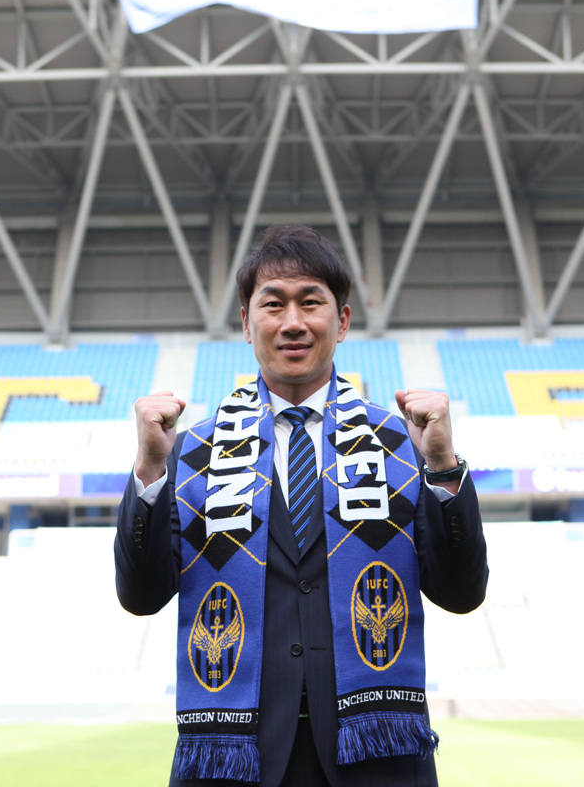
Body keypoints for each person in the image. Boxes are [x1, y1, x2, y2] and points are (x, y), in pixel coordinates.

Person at [116, 224, 489, 787]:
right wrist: (149, 471)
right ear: (247, 323)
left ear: (342, 321)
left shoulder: (402, 443)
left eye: (311, 302)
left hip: (377, 757)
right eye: (273, 304)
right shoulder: (191, 451)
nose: (293, 322)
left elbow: (461, 594)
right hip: (235, 760)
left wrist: (441, 465)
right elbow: (140, 597)